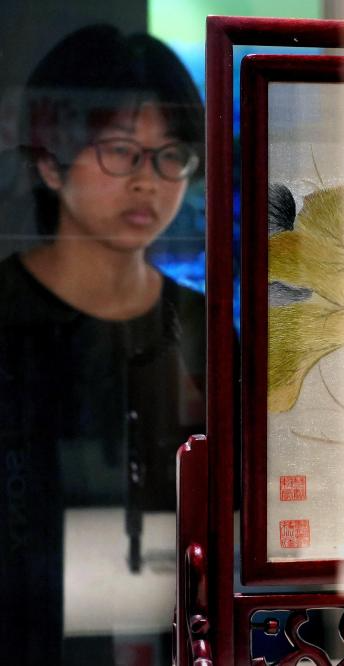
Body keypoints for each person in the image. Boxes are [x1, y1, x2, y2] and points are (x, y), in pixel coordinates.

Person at [0, 25, 206, 664]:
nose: (148, 181)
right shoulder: (8, 314)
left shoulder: (201, 328)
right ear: (48, 161)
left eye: (171, 155)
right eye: (121, 151)